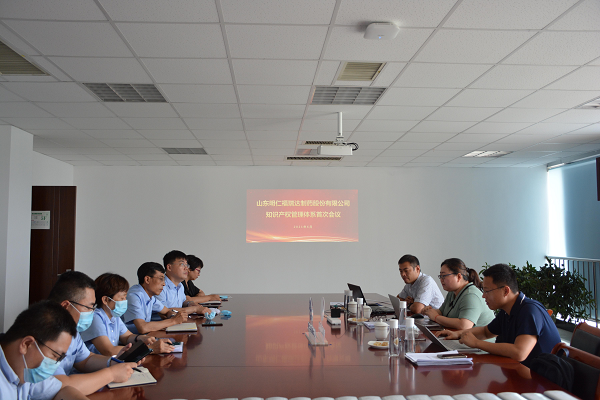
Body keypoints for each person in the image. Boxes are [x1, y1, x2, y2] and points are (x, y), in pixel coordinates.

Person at [437, 263, 561, 367]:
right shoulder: (506, 310)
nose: (483, 296)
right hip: (517, 370)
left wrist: (476, 343)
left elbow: (519, 352)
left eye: (487, 291)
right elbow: (486, 332)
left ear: (506, 291)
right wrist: (458, 334)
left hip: (542, 378)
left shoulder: (529, 310)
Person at [47, 271, 137, 395]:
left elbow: (86, 360)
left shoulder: (70, 329)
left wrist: (115, 362)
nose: (91, 312)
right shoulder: (45, 335)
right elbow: (61, 385)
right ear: (66, 306)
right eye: (88, 307)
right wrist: (111, 374)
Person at [0, 301, 88, 400]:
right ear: (27, 344)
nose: (56, 364)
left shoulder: (25, 369)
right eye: (55, 355)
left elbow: (61, 390)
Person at [80, 273, 174, 356]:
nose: (125, 301)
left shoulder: (114, 316)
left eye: (125, 297)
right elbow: (109, 351)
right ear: (105, 300)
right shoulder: (95, 318)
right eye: (122, 298)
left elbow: (127, 337)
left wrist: (142, 338)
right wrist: (149, 349)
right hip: (97, 367)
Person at [422, 258, 495, 329]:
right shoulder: (452, 293)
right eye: (440, 276)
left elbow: (465, 325)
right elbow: (441, 312)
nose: (441, 280)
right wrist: (429, 311)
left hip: (478, 337)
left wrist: (436, 317)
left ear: (459, 276)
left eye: (444, 276)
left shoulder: (471, 295)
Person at [123, 262, 190, 334]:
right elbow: (143, 328)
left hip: (144, 337)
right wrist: (173, 321)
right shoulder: (134, 296)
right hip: (129, 339)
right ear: (147, 279)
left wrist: (173, 316)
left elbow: (167, 311)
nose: (164, 284)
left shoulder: (150, 296)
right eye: (161, 279)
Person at [156, 250, 212, 318]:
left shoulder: (180, 285)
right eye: (182, 264)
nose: (186, 268)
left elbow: (183, 301)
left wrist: (190, 304)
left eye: (187, 265)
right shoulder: (160, 286)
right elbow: (165, 311)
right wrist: (194, 309)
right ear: (169, 267)